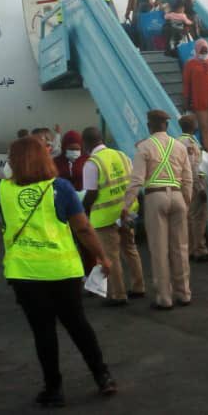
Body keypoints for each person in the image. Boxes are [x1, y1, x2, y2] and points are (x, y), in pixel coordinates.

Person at [0, 136, 118, 404]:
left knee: (44, 333)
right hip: (63, 271)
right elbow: (83, 227)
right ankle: (102, 376)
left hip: (26, 275)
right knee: (78, 326)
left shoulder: (0, 190)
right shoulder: (60, 188)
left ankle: (54, 389)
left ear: (15, 161)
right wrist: (102, 257)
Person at [120, 110, 193, 310]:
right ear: (166, 126)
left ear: (149, 125)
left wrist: (126, 205)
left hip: (155, 196)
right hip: (178, 195)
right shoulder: (179, 146)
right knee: (180, 247)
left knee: (159, 249)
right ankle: (184, 293)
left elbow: (136, 181)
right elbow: (188, 178)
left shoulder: (144, 147)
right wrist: (186, 201)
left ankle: (164, 297)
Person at [81, 127, 146, 307]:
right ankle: (138, 286)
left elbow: (91, 194)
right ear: (101, 139)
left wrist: (81, 209)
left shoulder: (92, 163)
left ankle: (117, 294)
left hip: (105, 217)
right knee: (130, 249)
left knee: (111, 255)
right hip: (127, 212)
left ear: (85, 143)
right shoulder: (122, 155)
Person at [179, 115, 208, 262]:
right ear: (193, 126)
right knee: (198, 217)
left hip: (184, 184)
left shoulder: (179, 141)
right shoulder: (190, 143)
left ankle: (189, 249)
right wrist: (200, 188)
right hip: (194, 184)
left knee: (189, 217)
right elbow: (193, 167)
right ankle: (199, 249)